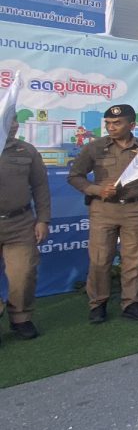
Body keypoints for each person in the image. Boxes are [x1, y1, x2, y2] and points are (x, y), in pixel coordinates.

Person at [67, 105, 138, 324]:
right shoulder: (94, 148)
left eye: (117, 123)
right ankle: (98, 304)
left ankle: (132, 303)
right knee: (100, 260)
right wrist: (97, 190)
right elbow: (74, 176)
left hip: (134, 210)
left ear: (132, 125)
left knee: (133, 260)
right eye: (108, 123)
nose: (111, 127)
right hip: (103, 210)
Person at [0, 117, 50, 343]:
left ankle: (20, 318)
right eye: (6, 119)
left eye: (15, 120)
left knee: (23, 275)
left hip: (20, 223)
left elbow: (40, 186)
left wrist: (43, 220)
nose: (12, 125)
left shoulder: (27, 151)